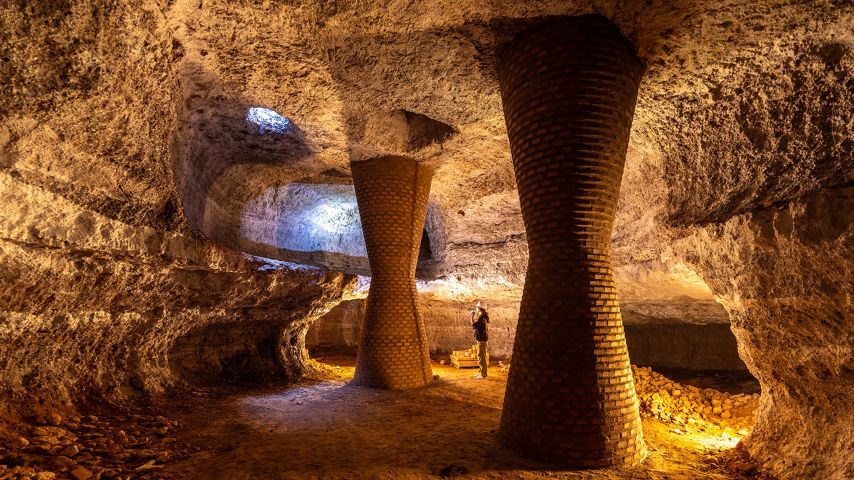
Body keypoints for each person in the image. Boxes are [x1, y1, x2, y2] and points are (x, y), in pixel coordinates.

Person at [469, 301, 489, 379]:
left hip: (482, 339)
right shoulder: (485, 316)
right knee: (480, 355)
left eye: (477, 307)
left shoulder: (482, 317)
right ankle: (481, 372)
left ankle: (483, 374)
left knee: (481, 356)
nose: (476, 308)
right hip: (483, 338)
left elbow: (474, 326)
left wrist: (471, 317)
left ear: (479, 308)